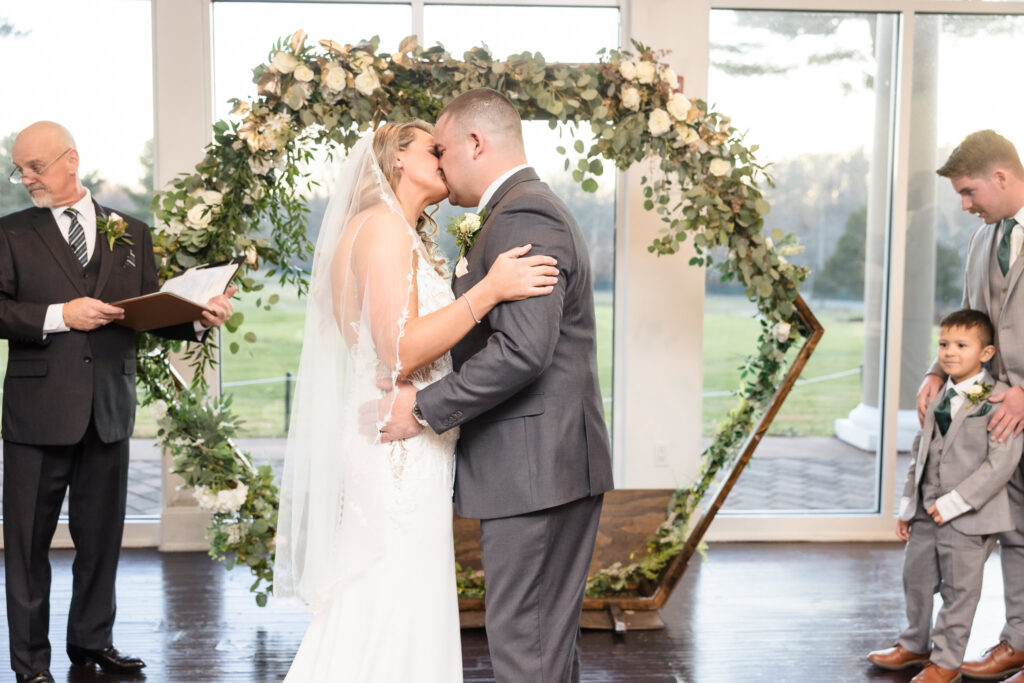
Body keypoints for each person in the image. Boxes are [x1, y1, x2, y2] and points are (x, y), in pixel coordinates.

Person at [273, 119, 559, 681]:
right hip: (398, 448)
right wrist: (490, 291)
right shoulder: (382, 228)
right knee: (394, 591)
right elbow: (398, 349)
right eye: (434, 148)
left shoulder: (380, 229)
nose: (446, 158)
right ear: (398, 160)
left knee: (388, 593)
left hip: (398, 433)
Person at [380, 88, 615, 683]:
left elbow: (522, 352)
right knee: (543, 648)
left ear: (476, 144)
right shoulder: (523, 206)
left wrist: (425, 410)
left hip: (533, 470)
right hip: (545, 465)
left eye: (443, 147)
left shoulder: (521, 214)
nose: (439, 160)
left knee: (525, 650)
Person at [0, 121, 236, 683]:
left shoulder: (131, 231)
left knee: (101, 539)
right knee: (27, 550)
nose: (26, 177)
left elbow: (146, 311)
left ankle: (91, 644)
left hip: (107, 410)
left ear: (70, 160)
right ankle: (31, 665)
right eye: (20, 168)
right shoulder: (8, 234)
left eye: (34, 166)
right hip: (36, 416)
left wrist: (198, 317)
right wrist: (61, 316)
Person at [914, 130, 1024, 681]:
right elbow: (972, 318)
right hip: (993, 407)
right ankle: (1018, 641)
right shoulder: (985, 238)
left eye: (969, 191)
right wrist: (939, 371)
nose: (964, 205)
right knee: (1016, 531)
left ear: (1001, 178)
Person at [870, 309, 1023, 683]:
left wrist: (954, 503)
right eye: (943, 344)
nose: (949, 353)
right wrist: (908, 507)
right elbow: (921, 453)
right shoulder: (939, 394)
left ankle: (947, 662)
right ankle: (914, 643)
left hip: (969, 518)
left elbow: (1000, 467)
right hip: (926, 512)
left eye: (961, 345)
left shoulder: (1000, 400)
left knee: (959, 592)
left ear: (986, 353)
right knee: (916, 578)